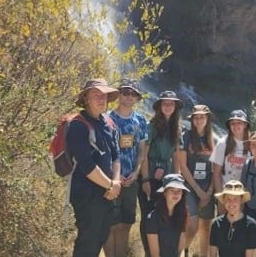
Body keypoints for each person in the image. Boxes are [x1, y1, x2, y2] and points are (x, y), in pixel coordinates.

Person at [66, 78, 121, 257]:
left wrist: (116, 182)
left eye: (104, 95)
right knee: (87, 243)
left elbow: (116, 156)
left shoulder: (108, 123)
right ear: (85, 99)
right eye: (95, 95)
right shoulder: (78, 125)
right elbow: (86, 165)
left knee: (100, 238)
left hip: (107, 194)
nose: (101, 99)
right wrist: (111, 186)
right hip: (86, 195)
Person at [104, 78, 148, 257]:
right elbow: (104, 152)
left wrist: (137, 172)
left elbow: (141, 150)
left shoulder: (140, 121)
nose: (129, 96)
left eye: (133, 94)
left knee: (126, 224)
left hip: (131, 181)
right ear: (119, 94)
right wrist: (115, 176)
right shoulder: (107, 119)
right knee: (110, 224)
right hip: (111, 180)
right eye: (125, 92)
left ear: (137, 98)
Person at [139, 90, 183, 256]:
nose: (168, 106)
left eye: (171, 103)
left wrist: (177, 180)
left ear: (175, 107)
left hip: (167, 177)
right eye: (165, 103)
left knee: (165, 215)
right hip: (150, 174)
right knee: (148, 215)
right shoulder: (151, 127)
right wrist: (145, 180)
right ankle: (149, 252)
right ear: (159, 106)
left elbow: (176, 155)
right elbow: (144, 153)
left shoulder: (177, 128)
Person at [178, 104, 216, 257]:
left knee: (206, 228)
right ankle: (181, 251)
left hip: (208, 188)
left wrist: (209, 192)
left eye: (202, 116)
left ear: (207, 119)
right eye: (196, 117)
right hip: (190, 187)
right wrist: (199, 191)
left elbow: (216, 169)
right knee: (192, 226)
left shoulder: (213, 139)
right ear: (192, 120)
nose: (199, 120)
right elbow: (182, 165)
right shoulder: (185, 137)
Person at [210, 109, 251, 214]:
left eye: (239, 123)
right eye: (233, 123)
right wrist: (221, 198)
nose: (235, 126)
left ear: (245, 125)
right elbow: (216, 173)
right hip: (226, 193)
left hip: (244, 194)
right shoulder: (222, 144)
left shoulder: (252, 144)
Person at [209, 180, 256, 257]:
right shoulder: (216, 224)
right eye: (228, 199)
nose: (231, 203)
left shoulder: (251, 225)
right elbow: (212, 254)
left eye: (235, 199)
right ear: (224, 200)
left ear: (241, 200)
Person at [146, 173, 189, 257]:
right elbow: (155, 254)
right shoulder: (152, 218)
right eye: (172, 190)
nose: (176, 194)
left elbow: (181, 249)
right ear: (164, 193)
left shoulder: (182, 214)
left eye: (179, 191)